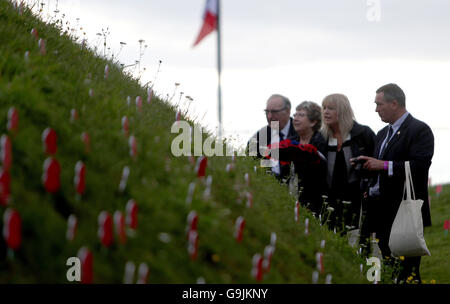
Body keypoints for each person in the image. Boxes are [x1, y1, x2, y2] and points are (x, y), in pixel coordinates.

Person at [357, 83, 434, 283]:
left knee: (407, 271)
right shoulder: (382, 134)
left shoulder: (420, 130)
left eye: (379, 104)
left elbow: (419, 166)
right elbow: (379, 168)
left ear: (394, 103)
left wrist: (383, 165)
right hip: (377, 211)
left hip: (402, 212)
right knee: (380, 267)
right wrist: (366, 169)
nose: (376, 109)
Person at [321, 93, 376, 233]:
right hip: (330, 202)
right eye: (324, 107)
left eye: (331, 108)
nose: (326, 111)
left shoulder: (364, 134)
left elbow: (377, 163)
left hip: (359, 201)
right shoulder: (321, 138)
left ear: (343, 111)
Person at [288, 101, 327, 215]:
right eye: (295, 115)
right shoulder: (290, 142)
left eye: (301, 115)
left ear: (313, 122)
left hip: (316, 200)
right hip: (291, 197)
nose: (295, 118)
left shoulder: (322, 142)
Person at [247, 94, 297, 182]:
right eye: (267, 112)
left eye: (274, 112)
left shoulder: (302, 134)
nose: (269, 116)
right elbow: (251, 165)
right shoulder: (257, 138)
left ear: (288, 111)